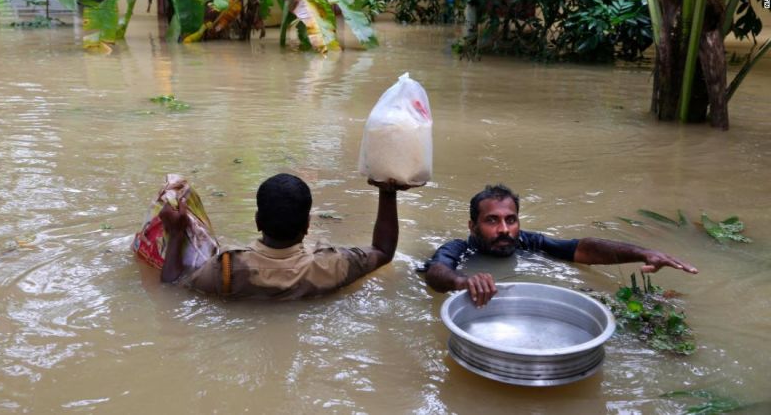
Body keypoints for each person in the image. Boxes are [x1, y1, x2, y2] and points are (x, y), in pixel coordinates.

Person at [422, 184, 698, 307]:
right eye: (492, 220)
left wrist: (643, 253)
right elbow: (436, 272)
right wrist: (463, 281)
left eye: (511, 220)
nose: (504, 229)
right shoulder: (459, 249)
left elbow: (582, 249)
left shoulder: (528, 242)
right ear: (473, 226)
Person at [159, 173, 412, 299]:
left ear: (257, 221)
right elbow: (383, 251)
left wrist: (176, 234)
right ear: (307, 225)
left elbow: (171, 287)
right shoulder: (332, 265)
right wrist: (387, 192)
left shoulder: (225, 269)